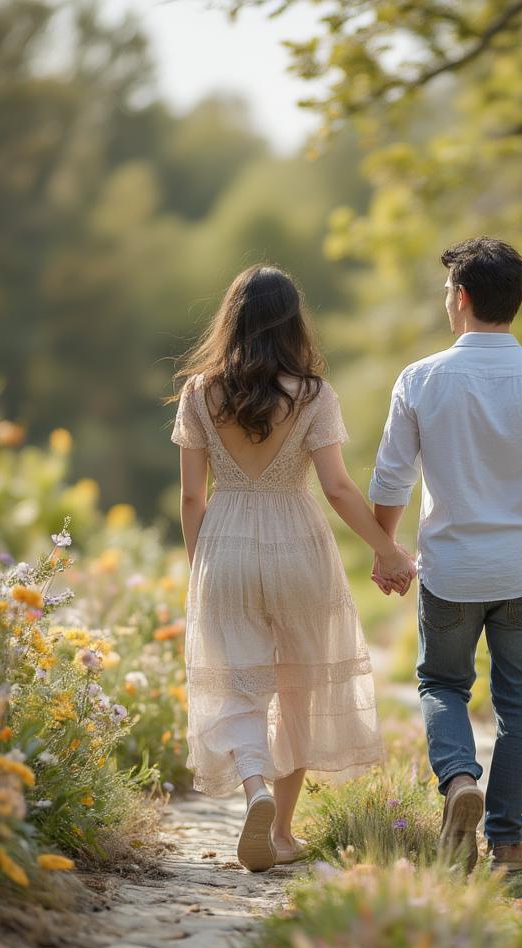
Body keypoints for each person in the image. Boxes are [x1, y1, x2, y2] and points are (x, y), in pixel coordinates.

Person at [369, 237, 522, 872]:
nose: (447, 301)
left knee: (441, 683)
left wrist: (387, 548)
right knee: (519, 702)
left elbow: (391, 478)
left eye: (449, 290)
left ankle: (458, 782)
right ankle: (505, 839)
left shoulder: (420, 379)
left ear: (463, 297)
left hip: (450, 569)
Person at [170, 265, 415, 872]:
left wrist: (201, 565)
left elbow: (191, 498)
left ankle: (254, 788)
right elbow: (336, 487)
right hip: (297, 545)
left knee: (239, 685)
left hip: (225, 542)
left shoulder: (200, 392)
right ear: (293, 322)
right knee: (298, 687)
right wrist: (387, 551)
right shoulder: (312, 394)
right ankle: (279, 832)